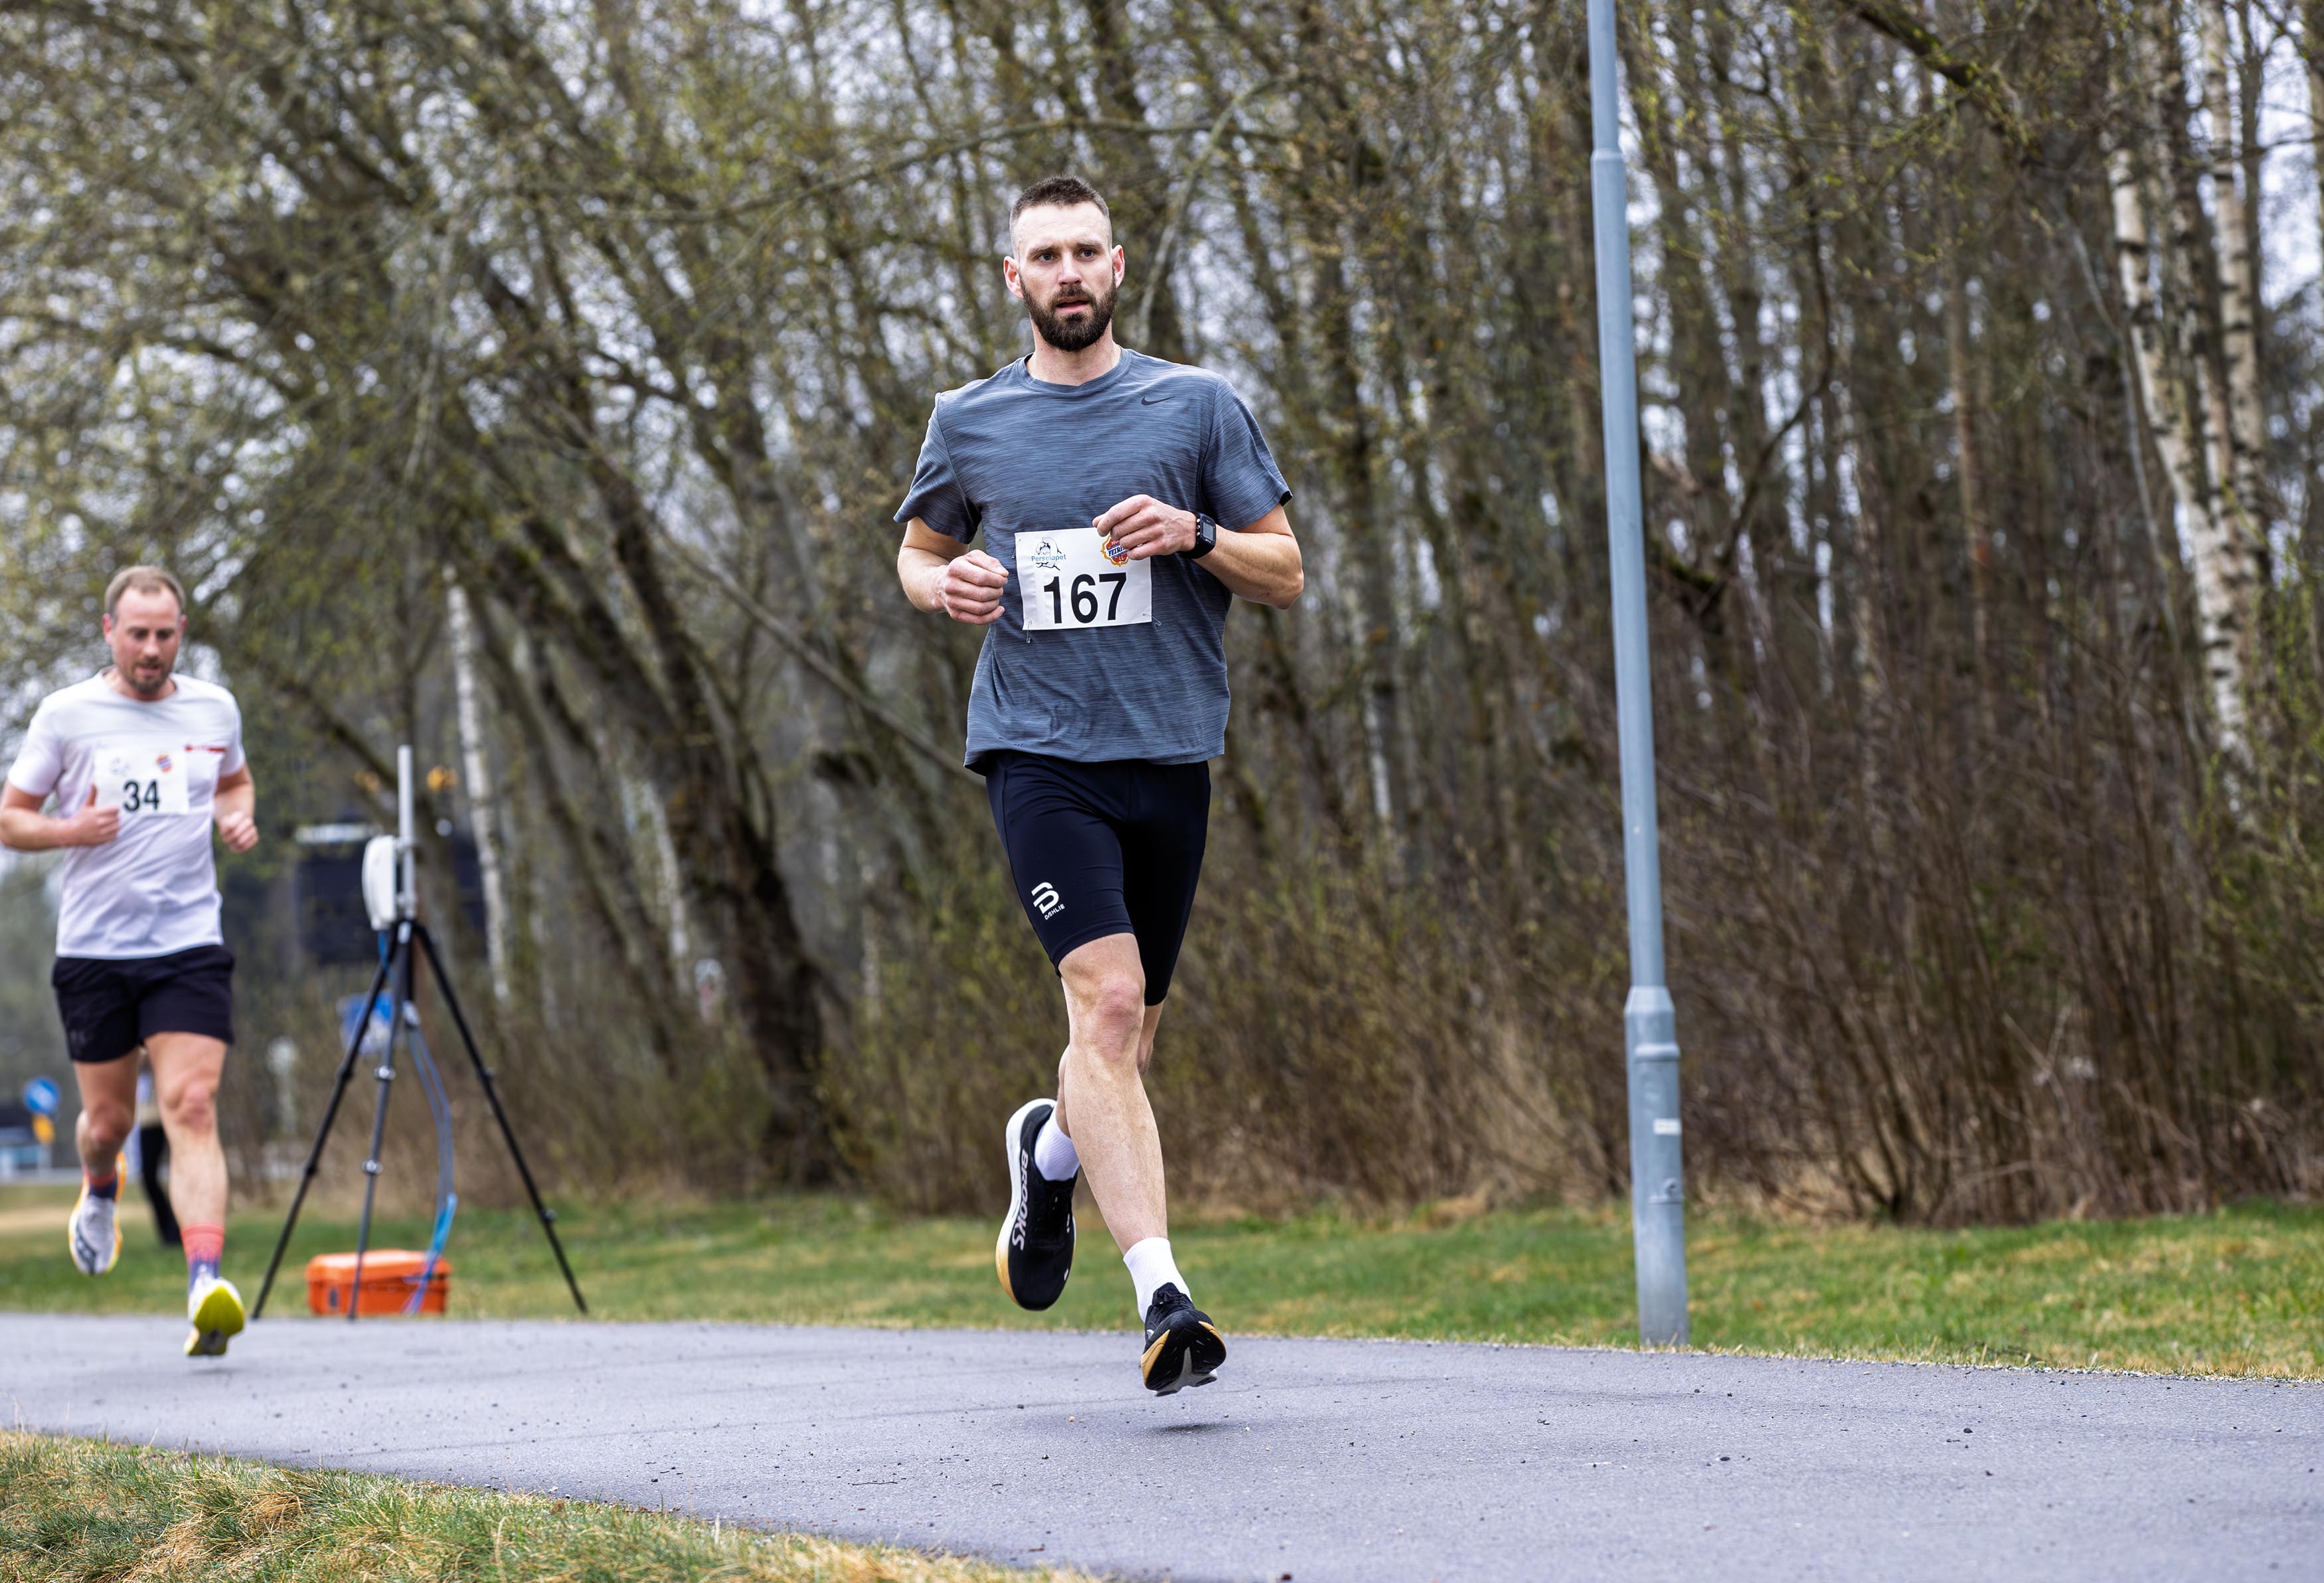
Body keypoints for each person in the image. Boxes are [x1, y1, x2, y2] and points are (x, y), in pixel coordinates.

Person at [892, 175, 1304, 1394]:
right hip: (1038, 751)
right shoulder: (969, 421)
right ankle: (1164, 1296)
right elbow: (917, 550)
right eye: (1044, 256)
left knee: (1123, 1041)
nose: (1067, 273)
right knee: (1108, 1003)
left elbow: (1283, 568)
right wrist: (944, 584)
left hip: (1170, 753)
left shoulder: (1197, 406)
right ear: (1012, 280)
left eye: (1085, 252)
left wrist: (1193, 536)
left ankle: (1051, 1152)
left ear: (1118, 269)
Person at [0, 566, 259, 1356]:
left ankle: (204, 1281)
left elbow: (235, 779)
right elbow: (12, 819)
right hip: (96, 950)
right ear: (108, 629)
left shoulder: (213, 707)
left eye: (166, 633)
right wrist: (71, 831)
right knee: (107, 1122)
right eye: (137, 633)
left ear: (183, 630)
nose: (152, 649)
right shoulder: (67, 715)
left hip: (186, 942)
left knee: (190, 1105)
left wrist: (235, 816)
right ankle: (100, 1185)